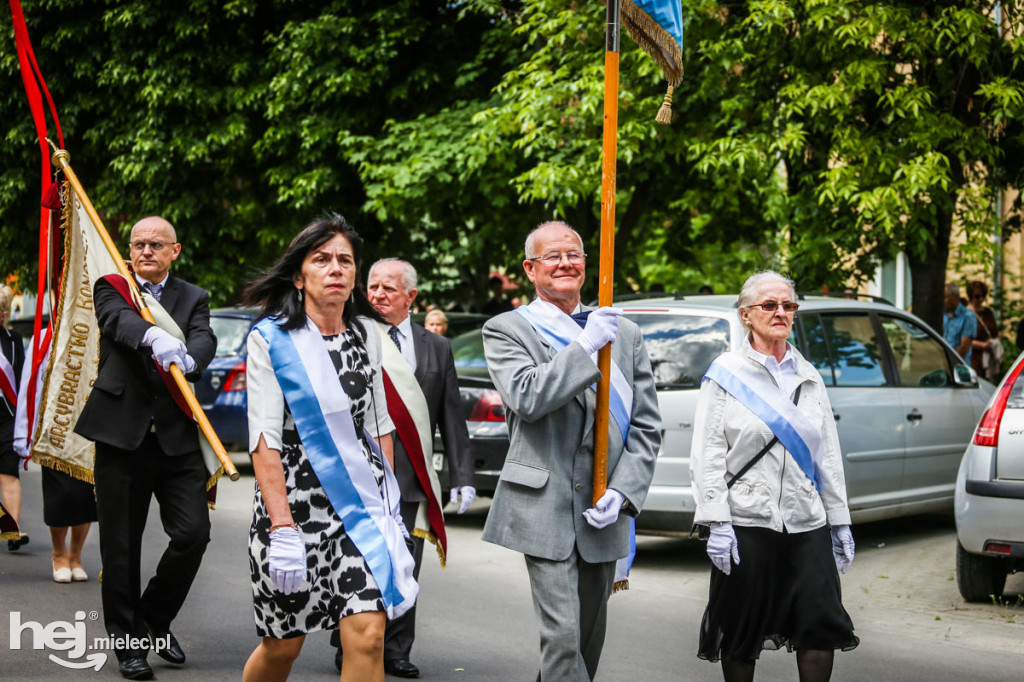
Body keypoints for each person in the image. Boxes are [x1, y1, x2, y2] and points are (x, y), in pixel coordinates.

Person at [481, 220, 661, 681]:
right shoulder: (507, 329)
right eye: (552, 256)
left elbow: (645, 424)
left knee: (586, 640)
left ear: (586, 264)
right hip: (543, 505)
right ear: (530, 268)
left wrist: (623, 492)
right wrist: (584, 345)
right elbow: (528, 397)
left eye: (574, 255)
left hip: (603, 506)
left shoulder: (626, 334)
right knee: (561, 640)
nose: (565, 263)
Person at [241, 214, 417, 682]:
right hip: (294, 516)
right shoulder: (270, 340)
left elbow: (379, 427)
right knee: (283, 648)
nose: (336, 268)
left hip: (360, 510)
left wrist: (390, 508)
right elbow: (264, 442)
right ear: (299, 276)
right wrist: (280, 527)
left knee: (369, 635)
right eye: (322, 260)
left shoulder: (366, 335)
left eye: (345, 260)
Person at [690, 270, 858, 682]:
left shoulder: (809, 374)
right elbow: (708, 452)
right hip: (747, 520)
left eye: (788, 305)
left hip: (806, 519)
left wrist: (839, 521)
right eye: (770, 305)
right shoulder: (725, 373)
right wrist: (717, 520)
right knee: (742, 628)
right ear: (747, 314)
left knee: (819, 624)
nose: (781, 312)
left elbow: (828, 455)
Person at [74, 216, 217, 680]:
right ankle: (128, 644)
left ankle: (153, 619)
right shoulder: (112, 286)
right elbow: (117, 323)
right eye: (138, 244)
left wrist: (190, 356)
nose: (145, 251)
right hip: (122, 435)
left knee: (193, 534)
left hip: (176, 439)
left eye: (156, 244)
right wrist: (155, 336)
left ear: (175, 251)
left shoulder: (194, 296)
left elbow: (203, 338)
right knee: (120, 546)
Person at [347, 257, 475, 678]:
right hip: (361, 474)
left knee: (406, 565)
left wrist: (463, 477)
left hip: (414, 479)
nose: (378, 295)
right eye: (373, 287)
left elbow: (450, 417)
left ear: (411, 297)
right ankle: (349, 642)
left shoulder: (437, 347)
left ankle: (397, 649)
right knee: (361, 563)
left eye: (388, 288)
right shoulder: (352, 336)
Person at [13, 338, 97, 582]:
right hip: (55, 429)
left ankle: (76, 556)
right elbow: (29, 382)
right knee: (60, 495)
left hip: (86, 427)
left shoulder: (94, 329)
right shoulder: (44, 336)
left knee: (85, 496)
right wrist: (24, 432)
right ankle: (59, 554)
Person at [0, 285, 28, 551]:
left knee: (8, 469)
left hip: (7, 412)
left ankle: (13, 530)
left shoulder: (13, 340)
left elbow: (20, 375)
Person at [966, 281, 1000, 382]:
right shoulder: (966, 314)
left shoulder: (987, 313)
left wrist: (994, 343)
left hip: (988, 359)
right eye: (977, 296)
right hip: (973, 359)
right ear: (971, 297)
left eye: (983, 296)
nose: (981, 299)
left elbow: (995, 333)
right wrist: (982, 345)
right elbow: (963, 340)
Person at [943, 283, 976, 364]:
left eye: (945, 297)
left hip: (958, 366)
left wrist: (949, 363)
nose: (942, 300)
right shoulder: (943, 314)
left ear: (955, 297)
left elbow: (964, 348)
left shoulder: (967, 316)